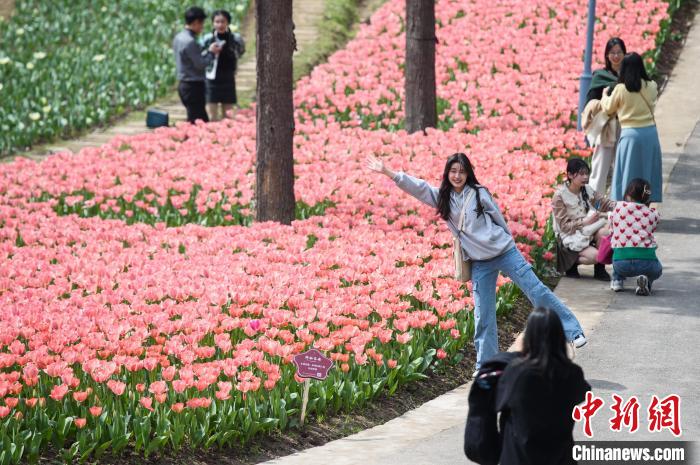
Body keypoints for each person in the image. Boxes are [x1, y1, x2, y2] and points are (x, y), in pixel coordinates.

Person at [366, 153, 587, 371]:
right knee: (483, 315)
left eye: (462, 171)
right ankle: (486, 365)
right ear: (447, 173)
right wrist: (388, 172)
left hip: (504, 251)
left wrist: (509, 245)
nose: (457, 175)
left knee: (536, 290)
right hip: (480, 262)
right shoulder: (443, 197)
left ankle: (574, 331)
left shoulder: (479, 193)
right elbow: (419, 187)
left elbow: (499, 219)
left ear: (468, 173)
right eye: (453, 171)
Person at [495, 307, 590, 465]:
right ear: (559, 336)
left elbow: (496, 403)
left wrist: (517, 353)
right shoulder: (572, 374)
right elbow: (581, 392)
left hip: (519, 456)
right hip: (560, 455)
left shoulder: (516, 373)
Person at [601, 52, 662, 203]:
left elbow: (608, 109)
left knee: (628, 173)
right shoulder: (652, 86)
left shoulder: (621, 89)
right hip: (650, 133)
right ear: (641, 67)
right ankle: (645, 203)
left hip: (630, 135)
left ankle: (627, 205)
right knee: (647, 171)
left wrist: (604, 96)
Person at [552, 158, 616, 281]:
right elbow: (564, 226)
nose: (585, 177)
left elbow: (603, 203)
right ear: (570, 175)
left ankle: (599, 270)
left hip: (585, 232)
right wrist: (585, 222)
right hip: (568, 237)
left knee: (606, 232)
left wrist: (622, 206)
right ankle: (571, 265)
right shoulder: (559, 196)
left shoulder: (586, 190)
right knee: (596, 256)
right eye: (581, 174)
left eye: (587, 173)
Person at [584, 37, 626, 194]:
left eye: (619, 52)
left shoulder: (630, 75)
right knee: (600, 166)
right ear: (607, 55)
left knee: (622, 166)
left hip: (625, 124)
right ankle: (595, 207)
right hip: (607, 125)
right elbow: (590, 102)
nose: (616, 56)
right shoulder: (600, 76)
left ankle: (618, 206)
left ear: (624, 53)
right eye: (612, 53)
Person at [609, 178, 662, 295]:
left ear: (628, 194)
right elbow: (653, 227)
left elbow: (611, 228)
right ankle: (646, 282)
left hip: (621, 264)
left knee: (618, 247)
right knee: (657, 269)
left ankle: (617, 280)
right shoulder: (653, 214)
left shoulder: (618, 208)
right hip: (646, 264)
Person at [172, 6, 222, 123]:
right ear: (195, 23)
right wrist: (211, 53)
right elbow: (200, 64)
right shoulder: (190, 41)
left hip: (184, 84)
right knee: (199, 122)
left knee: (194, 119)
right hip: (193, 86)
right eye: (201, 24)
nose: (202, 27)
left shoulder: (179, 37)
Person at [202, 10, 245, 121]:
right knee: (212, 116)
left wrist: (230, 50)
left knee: (228, 117)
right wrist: (210, 50)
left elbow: (241, 52)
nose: (220, 25)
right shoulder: (207, 39)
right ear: (213, 23)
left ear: (228, 23)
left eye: (223, 21)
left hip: (228, 78)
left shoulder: (236, 39)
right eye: (217, 22)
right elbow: (200, 56)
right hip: (212, 79)